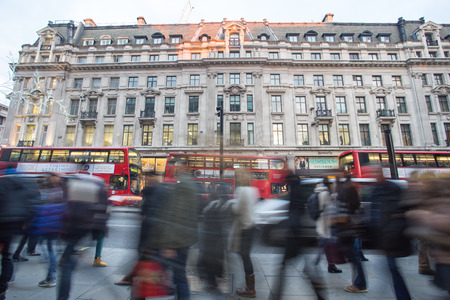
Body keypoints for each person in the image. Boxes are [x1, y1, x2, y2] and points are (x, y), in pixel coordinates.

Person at [144, 168, 200, 300]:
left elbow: (174, 217)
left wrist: (168, 245)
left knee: (163, 276)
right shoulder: (191, 191)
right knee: (179, 276)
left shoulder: (180, 191)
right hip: (184, 241)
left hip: (174, 243)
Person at [273, 173, 326, 300]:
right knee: (306, 268)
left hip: (294, 236)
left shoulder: (295, 191)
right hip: (298, 235)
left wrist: (289, 228)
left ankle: (276, 296)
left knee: (284, 267)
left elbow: (295, 212)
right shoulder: (298, 189)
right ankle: (320, 295)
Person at [57, 173, 109, 300]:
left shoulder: (74, 187)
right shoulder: (97, 188)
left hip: (73, 229)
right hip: (85, 228)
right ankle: (73, 257)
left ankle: (63, 296)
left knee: (68, 265)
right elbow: (102, 210)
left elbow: (65, 208)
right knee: (69, 263)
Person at [369, 166, 412, 300]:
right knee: (387, 268)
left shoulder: (393, 188)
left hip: (390, 235)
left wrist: (392, 231)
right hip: (381, 235)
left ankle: (403, 296)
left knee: (391, 267)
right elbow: (374, 211)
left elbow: (400, 213)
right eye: (374, 173)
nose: (376, 175)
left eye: (377, 173)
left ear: (383, 173)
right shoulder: (375, 190)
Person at [0, 168, 39, 300]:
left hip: (2, 222)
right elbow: (31, 205)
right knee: (6, 256)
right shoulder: (25, 185)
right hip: (14, 225)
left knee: (4, 255)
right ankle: (3, 287)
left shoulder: (2, 183)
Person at [223, 170, 260, 298]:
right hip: (251, 227)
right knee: (245, 256)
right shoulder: (253, 190)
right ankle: (250, 287)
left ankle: (250, 289)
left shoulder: (242, 190)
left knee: (244, 256)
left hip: (244, 228)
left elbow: (237, 209)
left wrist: (230, 203)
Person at [31, 173, 66, 288]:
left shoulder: (55, 191)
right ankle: (51, 275)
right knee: (49, 249)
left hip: (50, 225)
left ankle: (51, 276)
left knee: (49, 250)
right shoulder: (58, 189)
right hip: (51, 225)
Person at [335, 174, 367, 294]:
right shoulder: (348, 193)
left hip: (347, 231)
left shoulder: (346, 193)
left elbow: (345, 215)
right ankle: (359, 283)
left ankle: (360, 284)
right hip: (347, 231)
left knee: (354, 257)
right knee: (353, 256)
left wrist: (334, 220)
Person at [315, 176, 342, 273]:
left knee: (325, 244)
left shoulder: (318, 192)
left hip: (322, 222)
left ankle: (330, 264)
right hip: (326, 222)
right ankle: (328, 264)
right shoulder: (325, 193)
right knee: (328, 244)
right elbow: (329, 208)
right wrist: (333, 199)